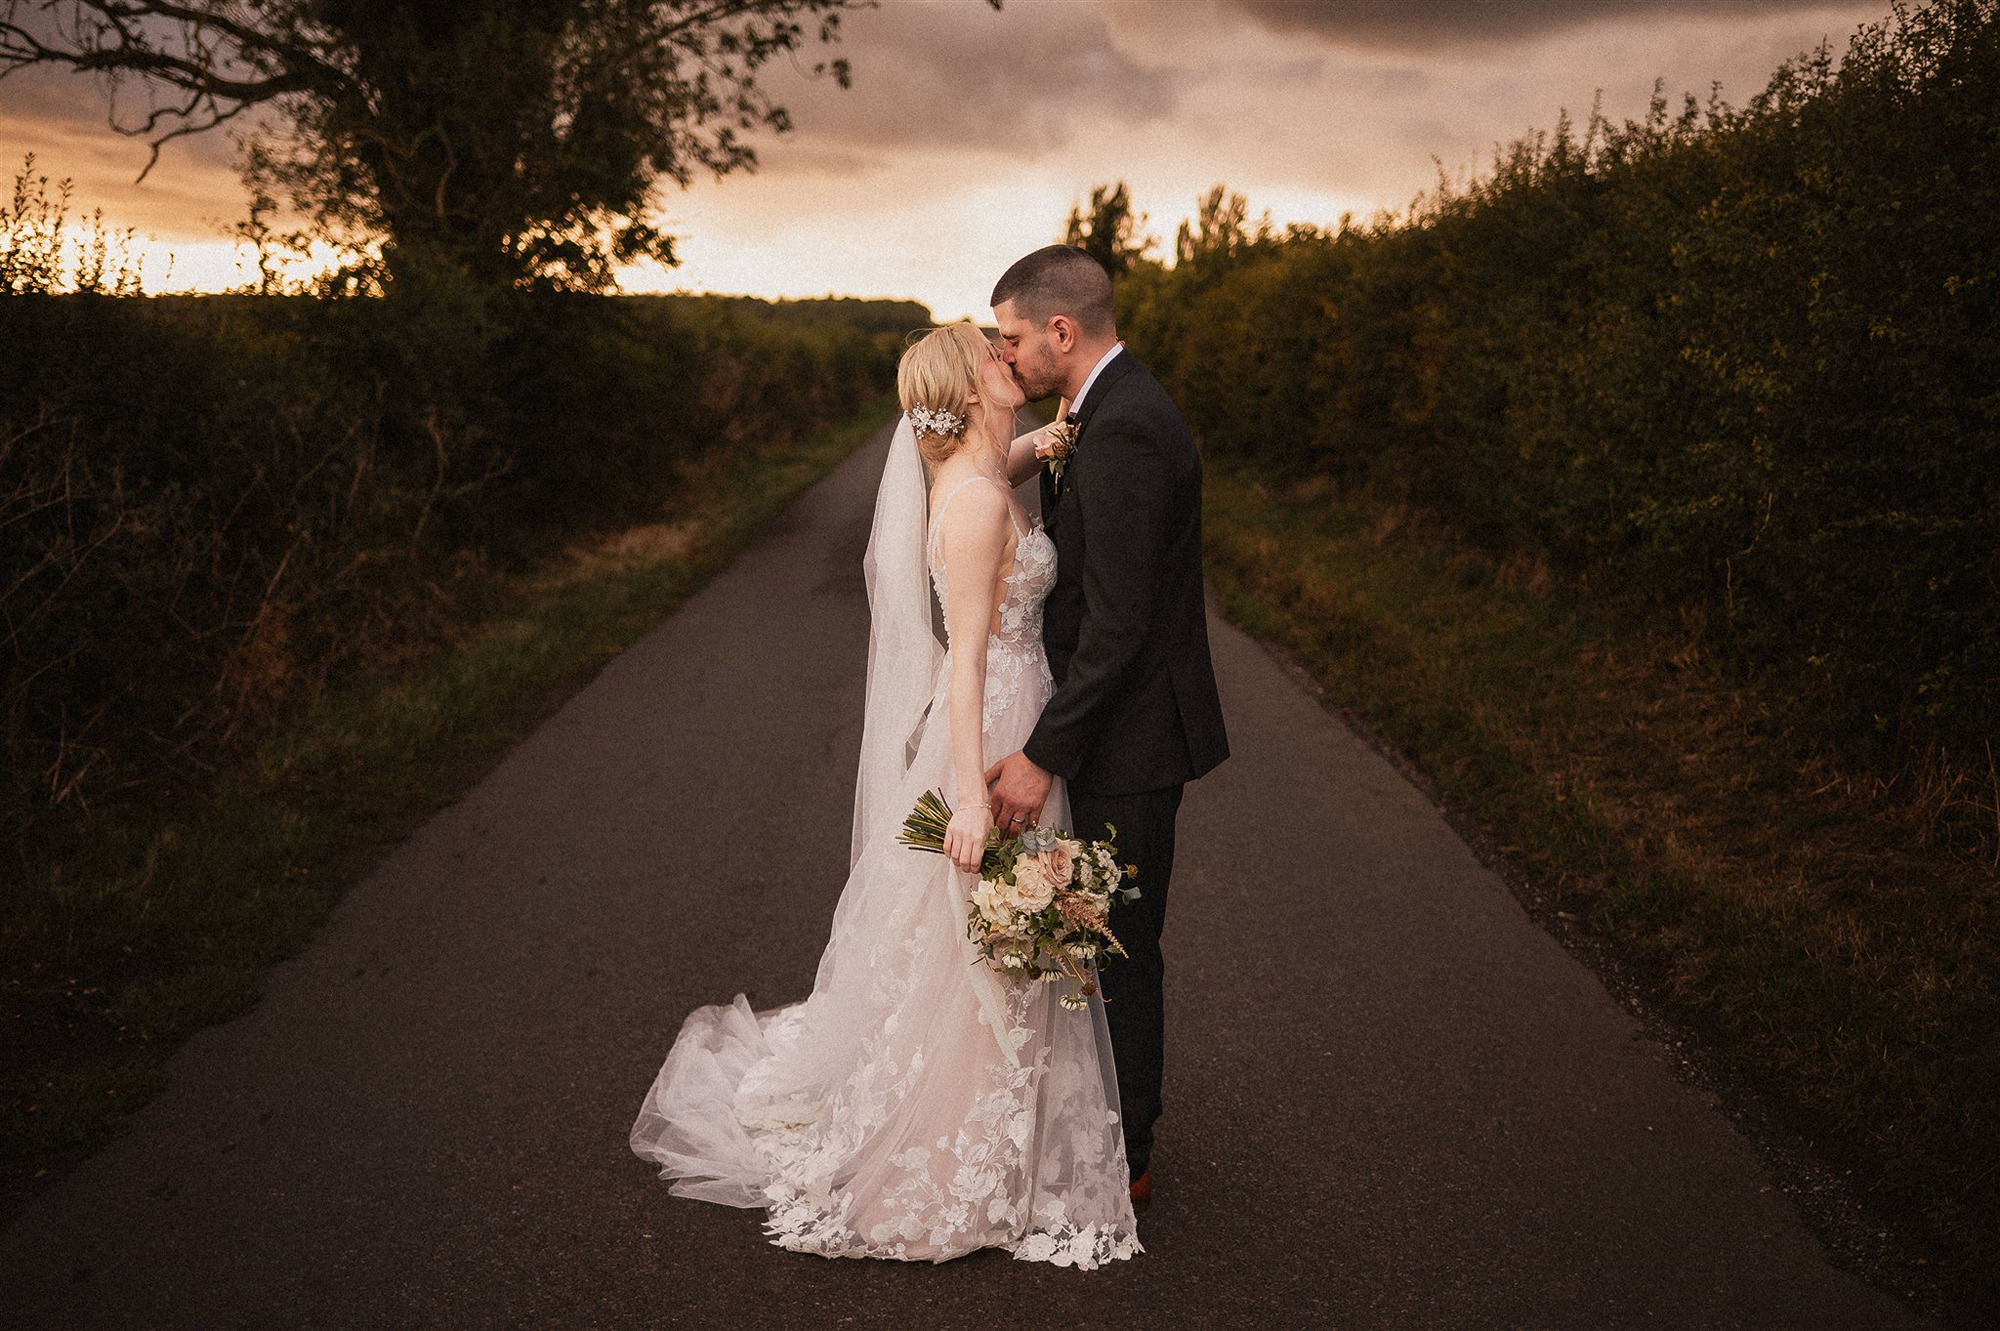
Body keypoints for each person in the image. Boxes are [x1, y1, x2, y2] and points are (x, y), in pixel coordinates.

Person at [630, 323, 1140, 1268]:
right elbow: (968, 662)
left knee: (969, 940)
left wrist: (1057, 438)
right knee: (980, 936)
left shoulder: (977, 474)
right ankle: (955, 1151)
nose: (1011, 361)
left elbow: (1015, 459)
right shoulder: (980, 504)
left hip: (1009, 709)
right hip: (996, 725)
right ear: (972, 386)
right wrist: (973, 795)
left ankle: (998, 1130)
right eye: (996, 355)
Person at [986, 245, 1230, 1213]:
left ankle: (1127, 1146)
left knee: (1121, 938)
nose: (1004, 354)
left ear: (1060, 329)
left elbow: (1119, 621)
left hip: (1130, 735)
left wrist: (1043, 753)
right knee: (1090, 931)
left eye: (1011, 337)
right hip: (1111, 723)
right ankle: (1099, 1119)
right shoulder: (1092, 414)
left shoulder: (1125, 427)